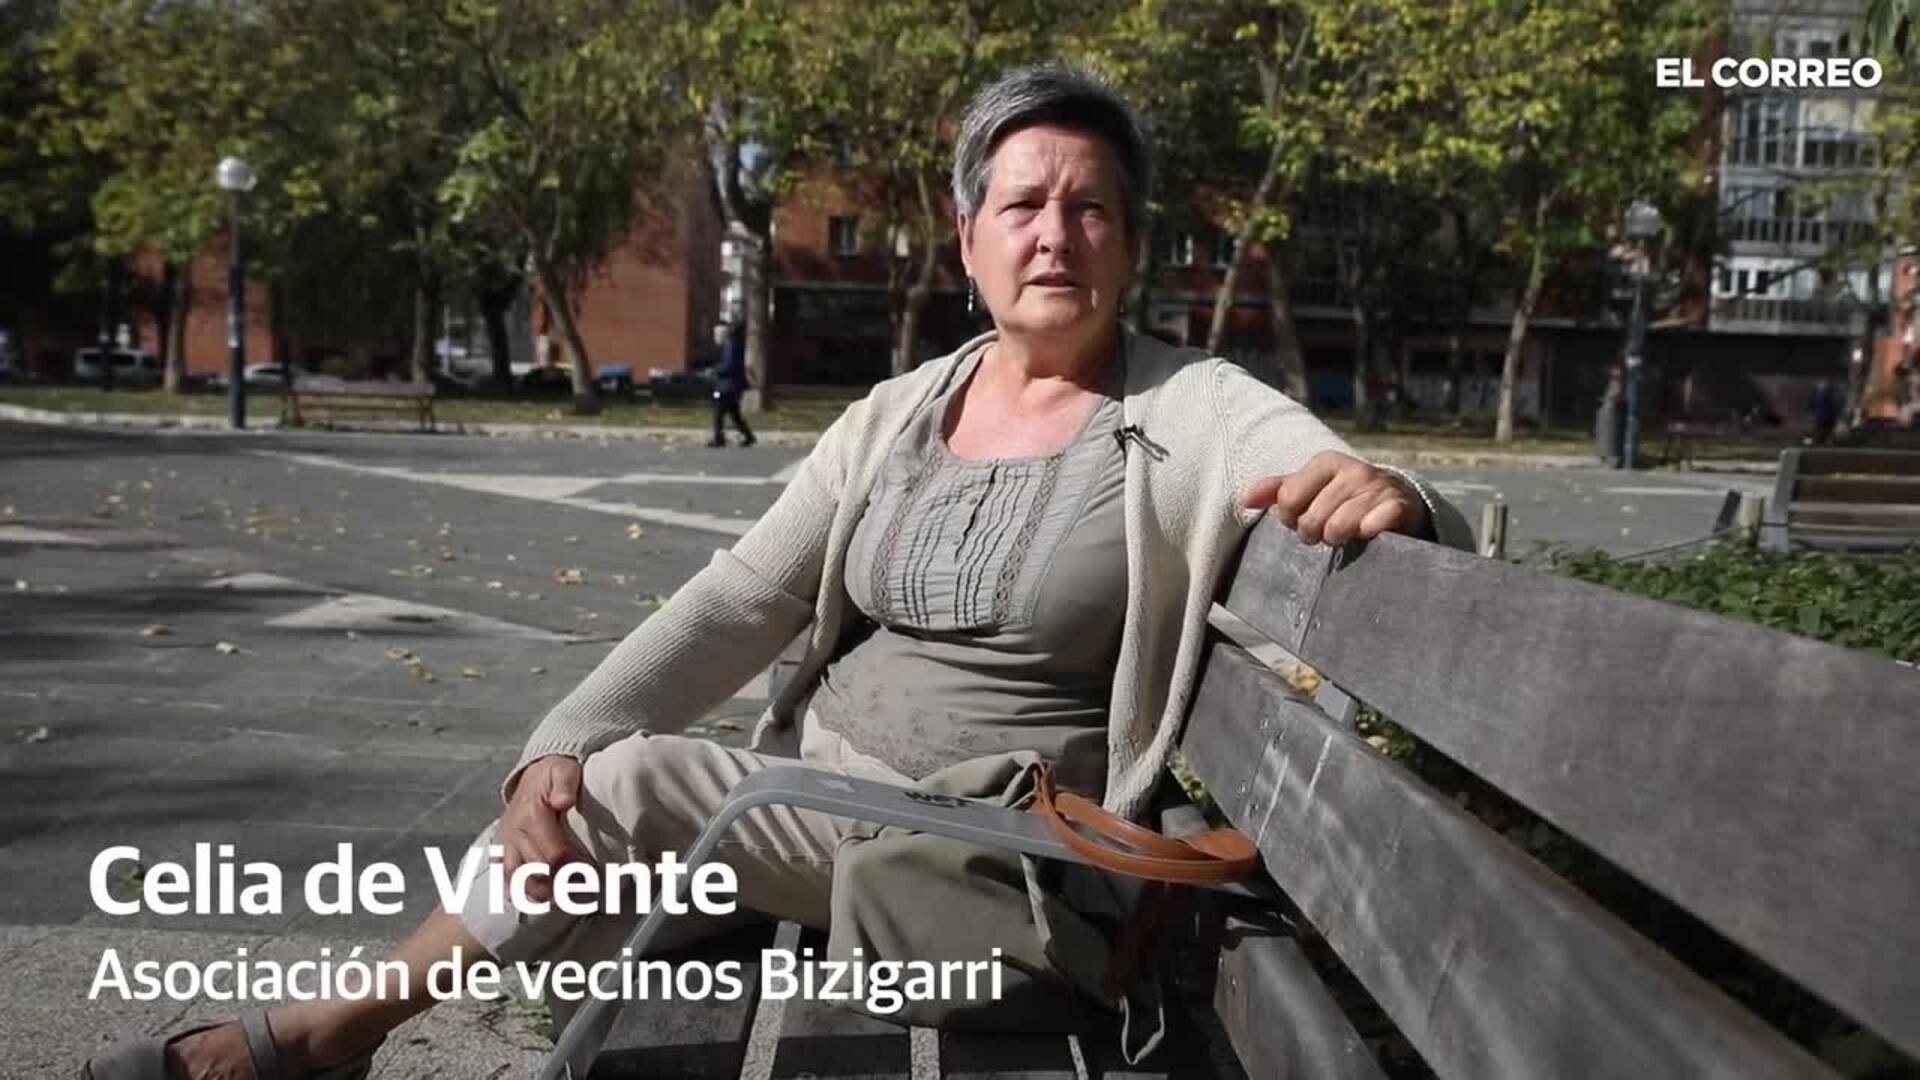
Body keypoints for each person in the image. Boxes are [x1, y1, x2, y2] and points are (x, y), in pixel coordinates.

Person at [95, 64, 1469, 1079]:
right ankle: (391, 1015)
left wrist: (1397, 493)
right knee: (582, 815)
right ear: (970, 240)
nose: (1056, 233)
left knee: (630, 793)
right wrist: (556, 736)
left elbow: (1338, 471)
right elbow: (742, 595)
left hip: (985, 842)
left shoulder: (1188, 407)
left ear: (1132, 242)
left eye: (1090, 207)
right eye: (1024, 205)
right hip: (817, 804)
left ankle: (332, 1032)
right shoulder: (902, 411)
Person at [710, 319, 756, 447]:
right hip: (730, 386)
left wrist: (716, 370)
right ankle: (748, 436)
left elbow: (729, 365)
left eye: (717, 334)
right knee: (734, 413)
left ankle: (718, 438)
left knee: (718, 411)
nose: (715, 337)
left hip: (727, 386)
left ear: (723, 334)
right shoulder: (731, 344)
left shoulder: (729, 345)